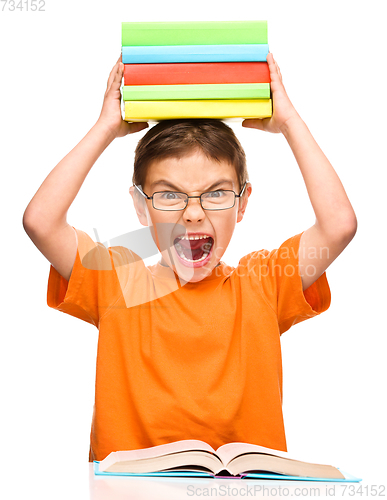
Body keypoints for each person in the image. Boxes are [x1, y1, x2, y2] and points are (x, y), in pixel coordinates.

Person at [22, 53, 357, 462]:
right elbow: (41, 221)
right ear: (141, 207)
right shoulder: (117, 281)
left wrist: (289, 122)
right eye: (169, 194)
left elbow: (339, 224)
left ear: (242, 203)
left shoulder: (263, 282)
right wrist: (105, 128)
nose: (193, 212)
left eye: (216, 193)